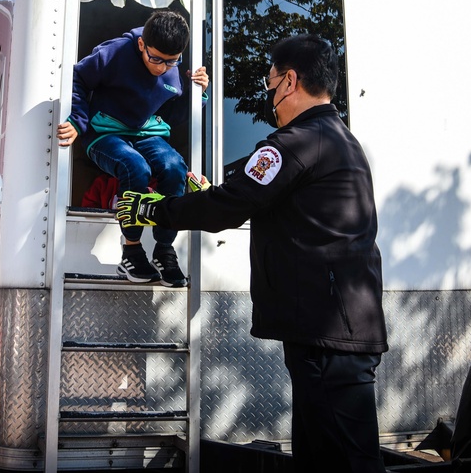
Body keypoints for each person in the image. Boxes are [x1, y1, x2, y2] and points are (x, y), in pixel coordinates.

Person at [115, 34, 388, 472]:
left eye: (270, 80)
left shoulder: (295, 142)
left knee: (343, 460)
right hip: (338, 326)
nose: (268, 94)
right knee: (328, 456)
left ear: (290, 81)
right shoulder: (337, 138)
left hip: (326, 331)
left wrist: (154, 209)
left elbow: (230, 206)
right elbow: (253, 196)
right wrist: (214, 191)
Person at [56, 9, 209, 287]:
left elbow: (174, 117)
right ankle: (131, 250)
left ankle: (163, 249)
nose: (162, 67)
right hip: (104, 133)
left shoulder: (175, 72)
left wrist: (200, 94)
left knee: (175, 167)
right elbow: (76, 78)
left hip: (146, 133)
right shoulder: (113, 53)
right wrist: (77, 120)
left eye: (171, 61)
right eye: (156, 59)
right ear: (141, 45)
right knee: (135, 166)